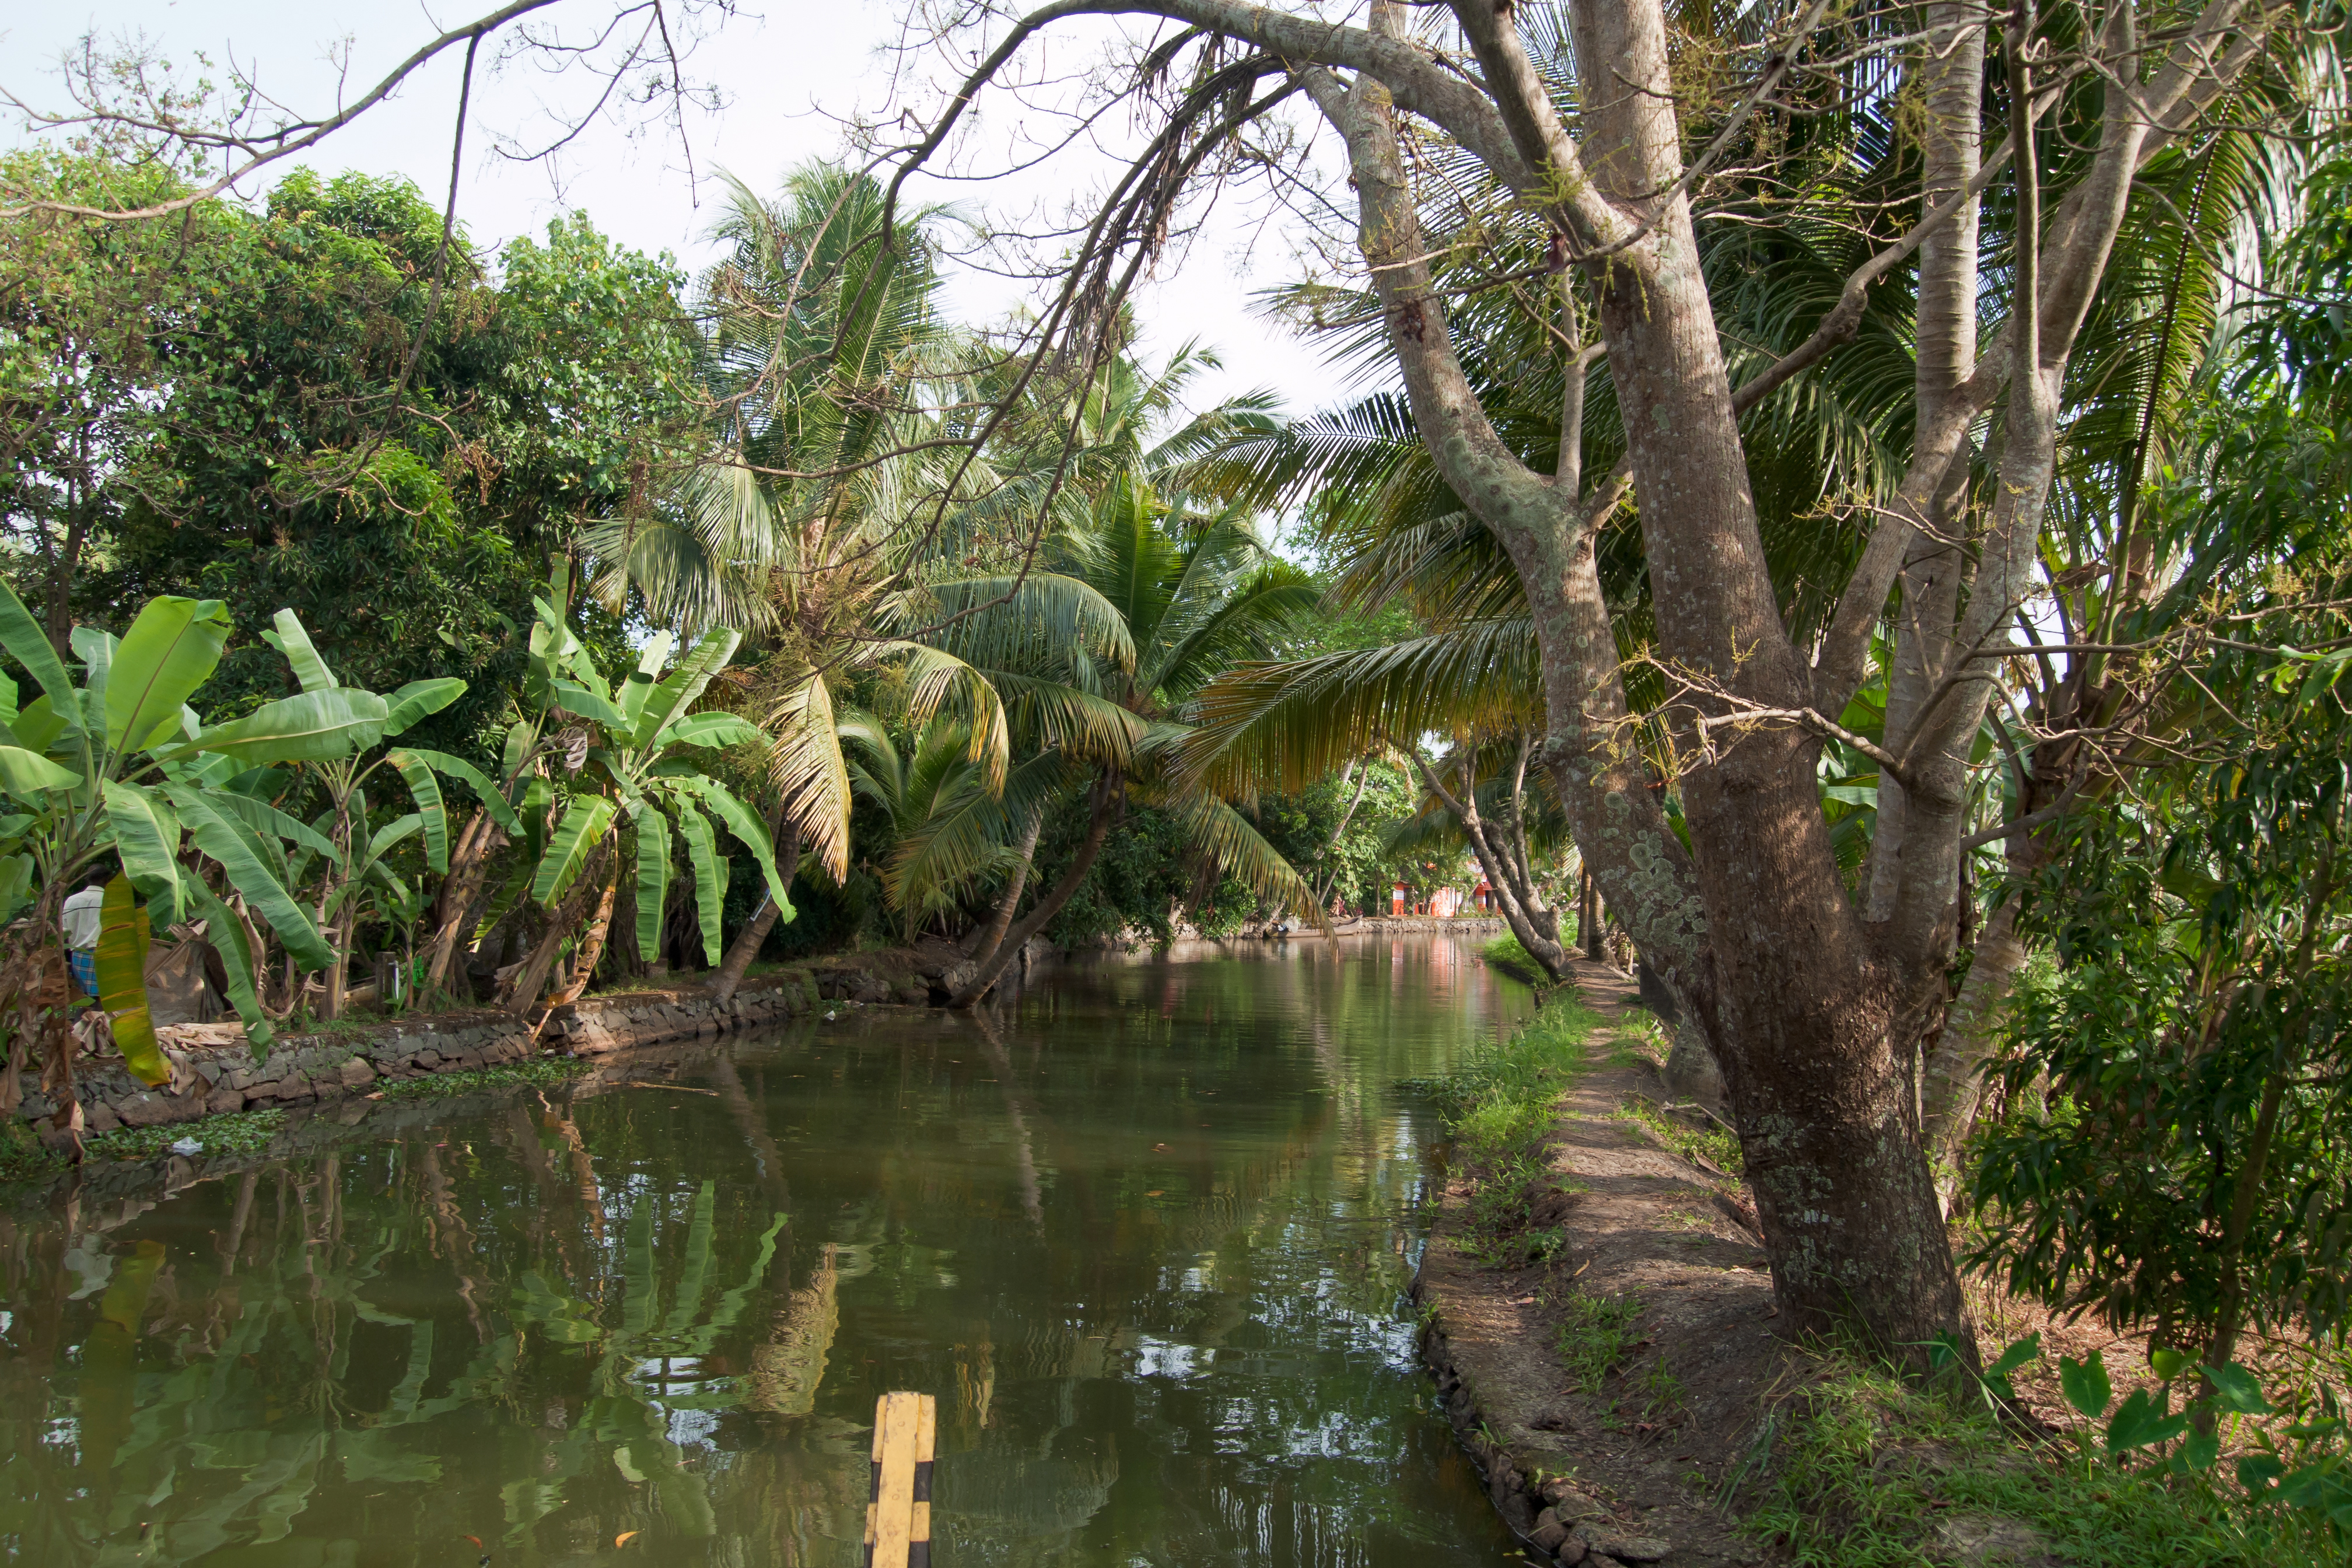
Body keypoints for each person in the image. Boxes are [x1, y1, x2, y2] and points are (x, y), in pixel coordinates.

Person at [61, 881, 105, 1002]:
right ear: (107, 880)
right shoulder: (108, 899)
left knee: (85, 999)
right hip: (102, 953)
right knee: (100, 1000)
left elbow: (64, 932)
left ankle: (81, 1020)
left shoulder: (72, 900)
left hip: (77, 954)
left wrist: (67, 959)